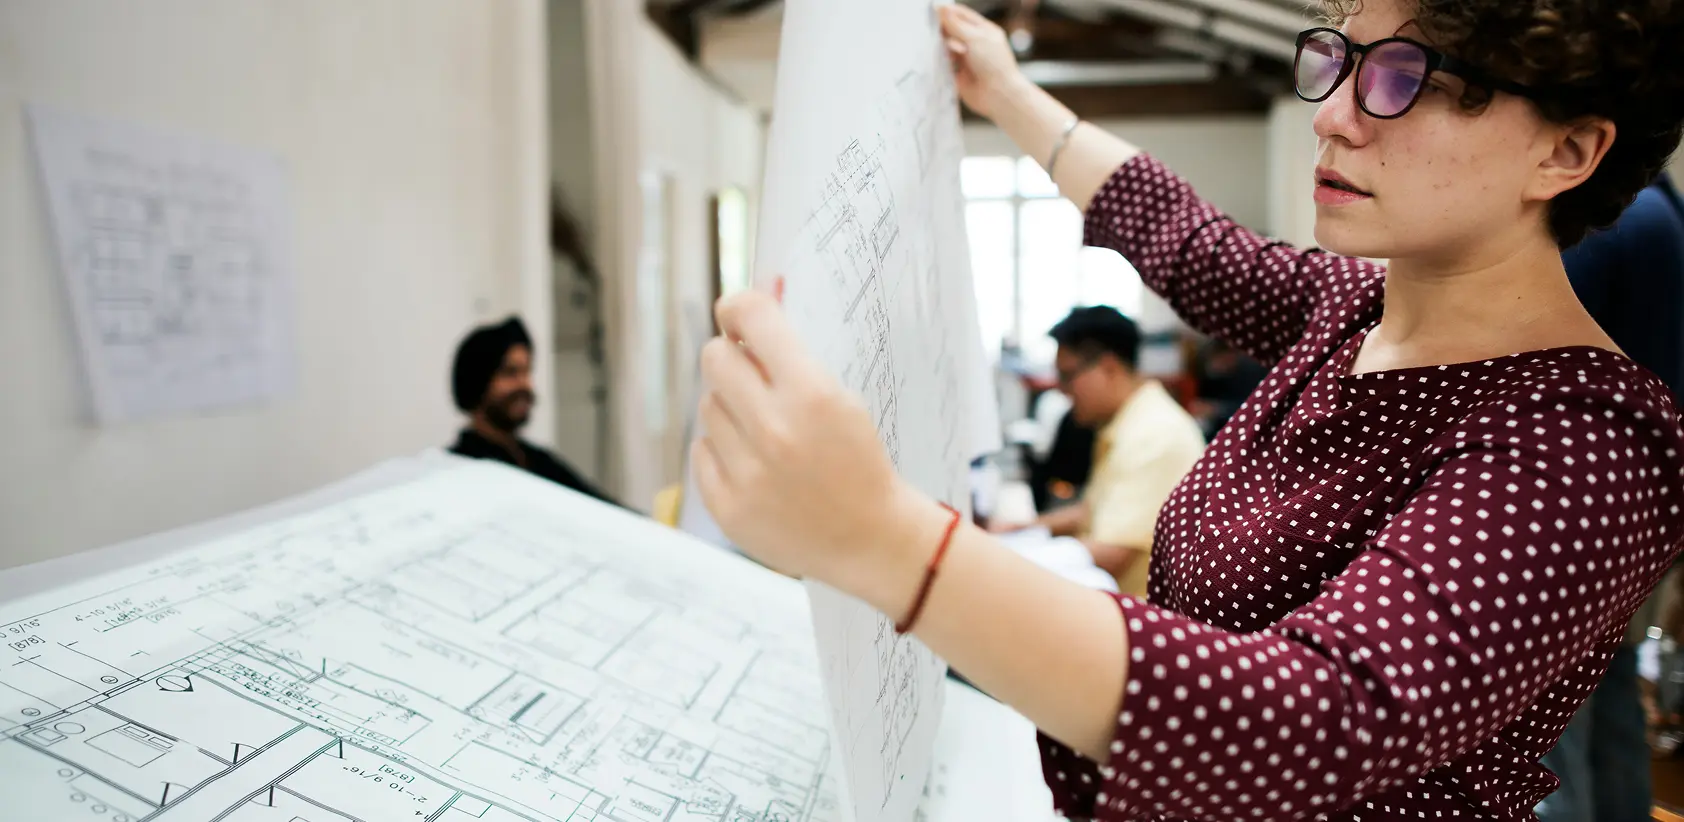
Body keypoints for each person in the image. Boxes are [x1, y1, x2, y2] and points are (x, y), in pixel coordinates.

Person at [688, 0, 1684, 819]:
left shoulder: (1585, 446)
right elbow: (1178, 236)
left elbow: (1320, 719)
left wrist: (882, 536)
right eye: (1336, 57)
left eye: (1403, 78)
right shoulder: (1351, 309)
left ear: (1566, 152)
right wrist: (1005, 91)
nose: (1332, 114)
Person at [1537, 172, 1684, 821]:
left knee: (1549, 734)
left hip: (1587, 514)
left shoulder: (1614, 222)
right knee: (1611, 696)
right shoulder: (1662, 215)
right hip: (1642, 507)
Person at [991, 306, 1205, 597]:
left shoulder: (1154, 436)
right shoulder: (1127, 422)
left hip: (1143, 618)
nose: (1063, 390)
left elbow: (1113, 552)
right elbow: (1096, 511)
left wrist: (999, 562)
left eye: (1068, 376)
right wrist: (1024, 527)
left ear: (1109, 368)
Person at [448, 317, 618, 506]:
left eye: (527, 372)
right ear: (477, 383)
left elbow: (602, 508)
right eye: (510, 373)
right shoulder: (459, 469)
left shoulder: (538, 461)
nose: (525, 385)